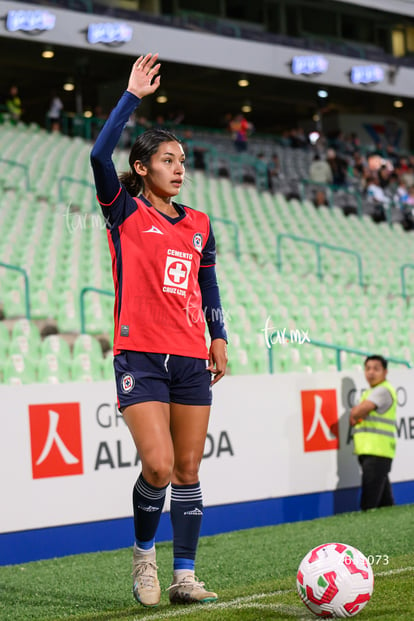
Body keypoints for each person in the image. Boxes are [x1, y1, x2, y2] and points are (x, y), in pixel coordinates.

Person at [90, 53, 228, 608]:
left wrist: (218, 337)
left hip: (191, 356)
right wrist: (131, 98)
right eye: (168, 160)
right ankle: (144, 558)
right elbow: (100, 153)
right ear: (143, 167)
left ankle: (184, 577)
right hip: (140, 357)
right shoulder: (122, 210)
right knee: (160, 464)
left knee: (190, 467)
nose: (180, 168)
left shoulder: (199, 224)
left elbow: (209, 286)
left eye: (183, 160)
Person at [349, 355, 397, 511]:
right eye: (368, 368)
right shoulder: (372, 391)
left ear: (385, 372)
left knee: (369, 504)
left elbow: (358, 412)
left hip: (376, 452)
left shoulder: (382, 390)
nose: (371, 372)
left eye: (376, 369)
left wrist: (356, 413)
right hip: (375, 452)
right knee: (385, 505)